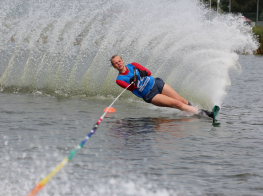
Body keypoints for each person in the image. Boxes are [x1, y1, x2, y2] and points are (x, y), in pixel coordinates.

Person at [110, 55, 214, 118]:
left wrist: (143, 73)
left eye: (119, 61)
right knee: (177, 103)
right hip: (150, 95)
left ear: (122, 61)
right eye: (116, 63)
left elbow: (149, 72)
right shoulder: (119, 80)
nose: (118, 64)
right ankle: (207, 114)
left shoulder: (133, 65)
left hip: (157, 83)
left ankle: (195, 112)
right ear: (114, 67)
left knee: (181, 100)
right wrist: (133, 81)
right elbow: (132, 89)